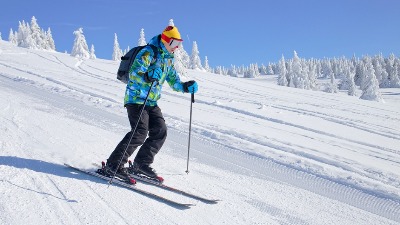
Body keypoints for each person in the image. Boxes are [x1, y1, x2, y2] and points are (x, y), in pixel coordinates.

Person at [104, 25, 198, 181]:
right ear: (166, 40)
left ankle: (141, 164)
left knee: (160, 131)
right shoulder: (148, 52)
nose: (176, 48)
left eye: (179, 45)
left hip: (151, 102)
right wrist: (147, 76)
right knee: (139, 132)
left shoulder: (168, 59)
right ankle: (114, 164)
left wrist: (185, 86)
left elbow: (174, 81)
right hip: (136, 99)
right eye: (174, 44)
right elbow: (134, 74)